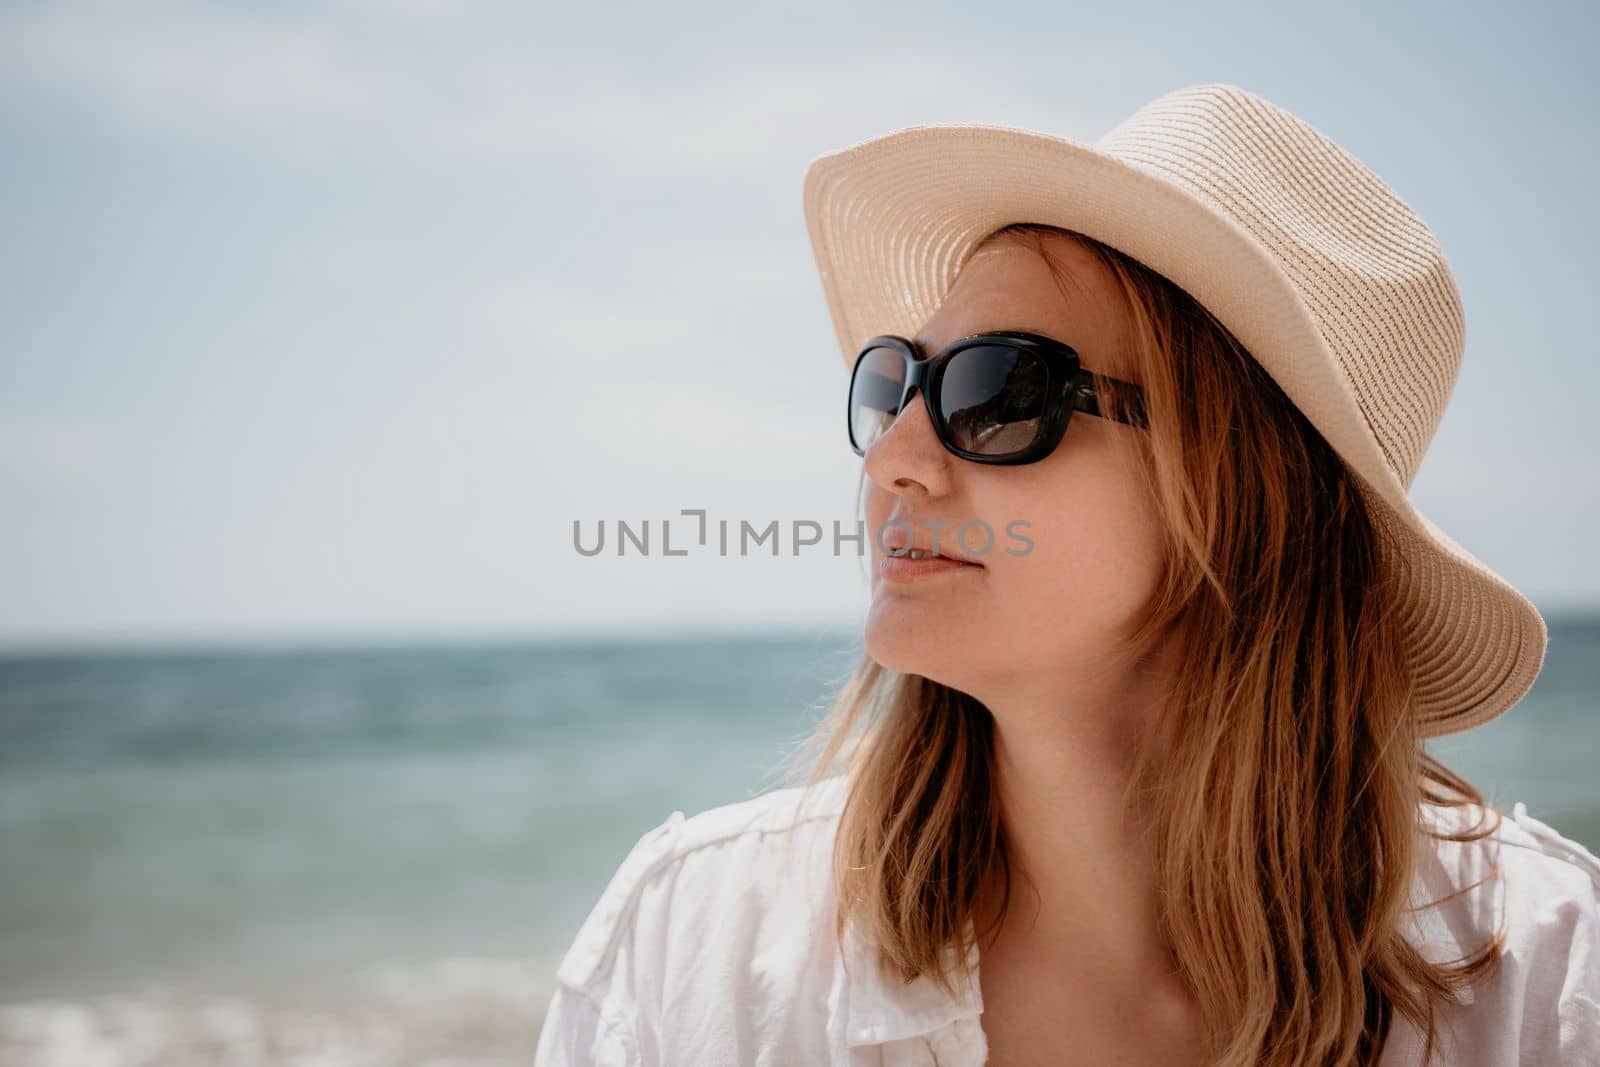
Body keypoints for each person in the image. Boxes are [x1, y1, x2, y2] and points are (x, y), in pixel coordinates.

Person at [534, 82, 1600, 1066]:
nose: (894, 454)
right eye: (895, 379)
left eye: (998, 391)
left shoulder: (1551, 983)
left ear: (1242, 497)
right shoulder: (698, 950)